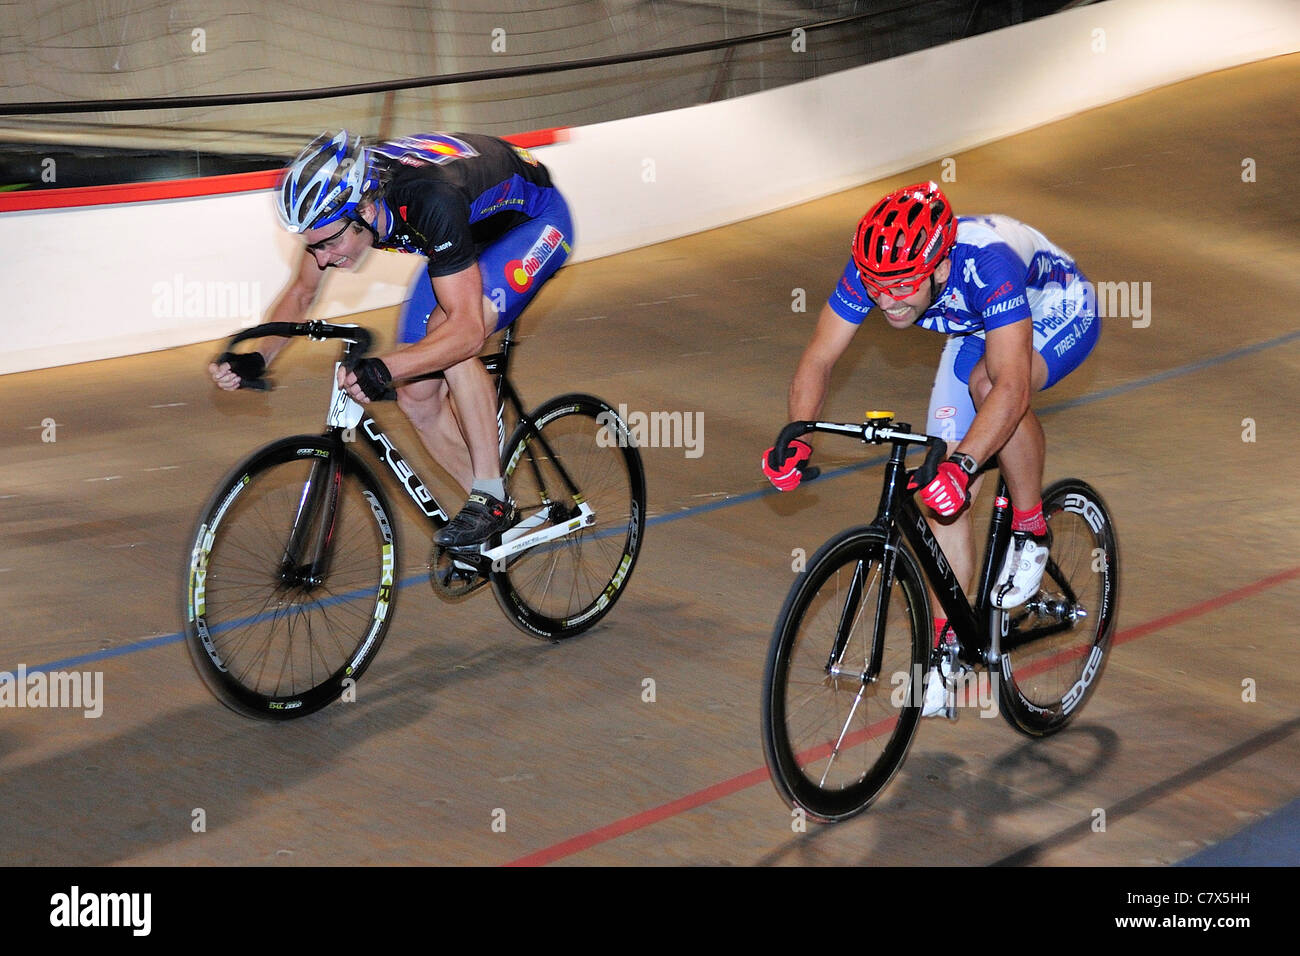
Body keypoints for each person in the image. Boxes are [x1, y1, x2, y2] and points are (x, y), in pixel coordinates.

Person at [762, 181, 1099, 716]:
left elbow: (1011, 389)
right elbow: (819, 356)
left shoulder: (987, 263)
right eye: (877, 288)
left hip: (1052, 303)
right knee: (938, 484)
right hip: (978, 323)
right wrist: (796, 435)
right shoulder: (875, 270)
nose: (888, 302)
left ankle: (1032, 531)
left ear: (940, 269)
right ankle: (950, 643)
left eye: (902, 287)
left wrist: (967, 466)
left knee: (989, 392)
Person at [210, 130, 574, 549]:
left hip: (535, 221)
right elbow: (301, 292)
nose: (323, 258)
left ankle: (490, 498)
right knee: (416, 396)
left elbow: (468, 331)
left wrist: (386, 367)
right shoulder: (339, 208)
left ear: (365, 208)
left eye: (330, 243)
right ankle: (498, 520)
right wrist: (258, 357)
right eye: (314, 247)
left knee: (448, 336)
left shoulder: (428, 199)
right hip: (463, 229)